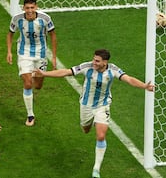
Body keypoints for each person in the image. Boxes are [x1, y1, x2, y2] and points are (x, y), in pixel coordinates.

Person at [34, 49, 155, 178]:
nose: (94, 62)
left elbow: (128, 79)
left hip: (102, 106)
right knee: (85, 129)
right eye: (94, 59)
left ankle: (96, 169)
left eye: (97, 61)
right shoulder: (87, 67)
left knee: (101, 136)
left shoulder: (113, 70)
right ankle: (91, 123)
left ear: (105, 62)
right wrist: (44, 74)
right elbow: (66, 72)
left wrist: (144, 86)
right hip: (86, 105)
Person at [6, 0, 58, 126]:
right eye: (27, 8)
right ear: (23, 8)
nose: (29, 10)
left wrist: (54, 56)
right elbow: (10, 34)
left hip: (41, 54)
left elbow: (53, 36)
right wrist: (9, 51)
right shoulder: (17, 19)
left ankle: (33, 76)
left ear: (36, 7)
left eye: (32, 8)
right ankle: (30, 115)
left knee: (38, 86)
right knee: (28, 83)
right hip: (24, 53)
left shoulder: (45, 19)